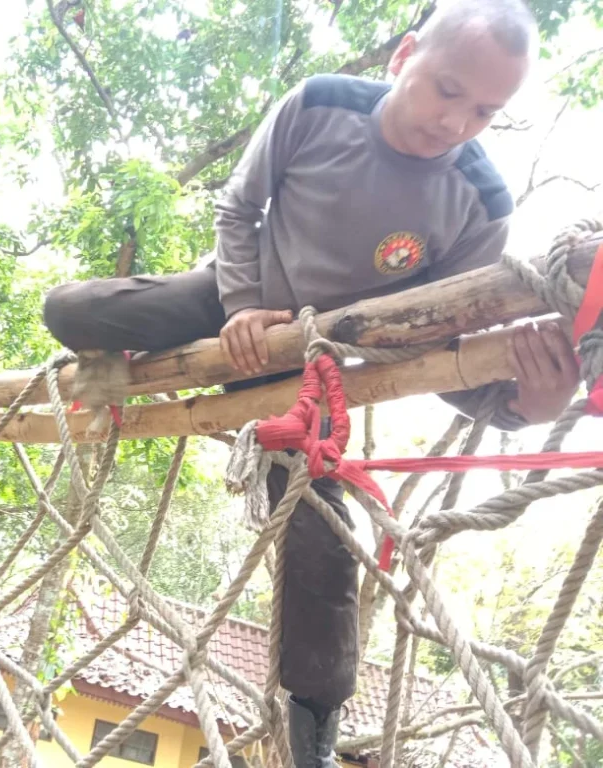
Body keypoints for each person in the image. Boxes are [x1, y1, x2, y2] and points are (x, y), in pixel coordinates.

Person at [42, 2, 581, 765]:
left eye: (486, 110)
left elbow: (439, 340)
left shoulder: (480, 200)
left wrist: (529, 405)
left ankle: (312, 733)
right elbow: (238, 206)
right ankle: (112, 380)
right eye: (447, 90)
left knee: (320, 535)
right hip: (235, 300)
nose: (456, 122)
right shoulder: (322, 103)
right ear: (403, 58)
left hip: (319, 362)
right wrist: (240, 311)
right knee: (70, 308)